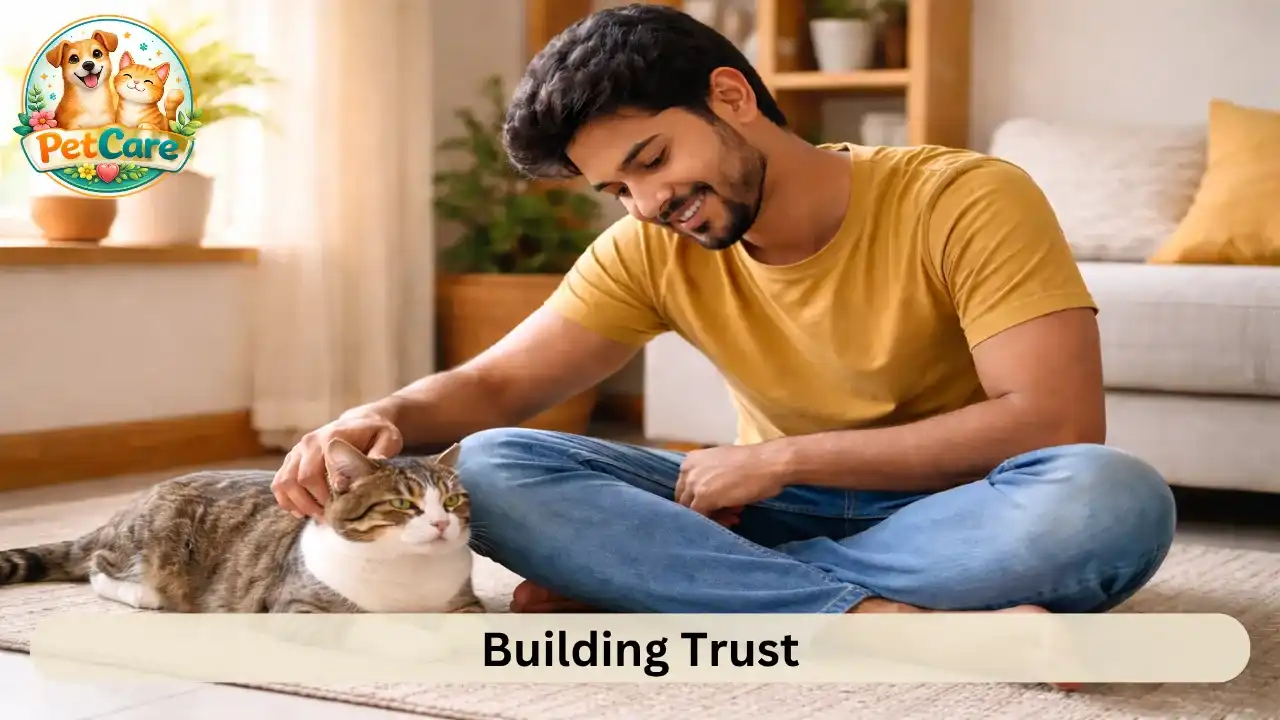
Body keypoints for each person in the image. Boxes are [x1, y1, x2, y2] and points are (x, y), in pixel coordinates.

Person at [271, 4, 1175, 621]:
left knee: (1112, 502)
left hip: (953, 508)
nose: (648, 203)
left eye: (654, 159)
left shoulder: (964, 196)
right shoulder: (652, 243)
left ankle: (678, 587)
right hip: (750, 512)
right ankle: (869, 617)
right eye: (617, 188)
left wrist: (781, 459)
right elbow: (500, 382)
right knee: (498, 465)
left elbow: (1055, 421)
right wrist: (378, 414)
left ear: (731, 96)